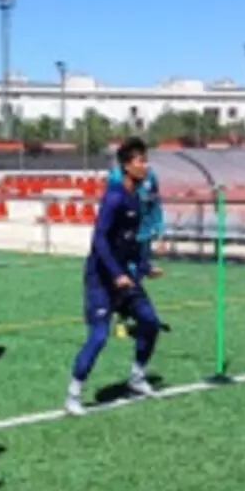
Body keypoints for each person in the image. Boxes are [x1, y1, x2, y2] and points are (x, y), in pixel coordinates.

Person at [64, 138, 163, 416]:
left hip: (125, 278)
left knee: (150, 322)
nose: (145, 166)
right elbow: (99, 240)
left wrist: (144, 267)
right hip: (101, 279)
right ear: (126, 166)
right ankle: (73, 394)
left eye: (146, 160)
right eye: (140, 161)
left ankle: (136, 378)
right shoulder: (114, 197)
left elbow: (131, 242)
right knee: (99, 336)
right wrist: (116, 274)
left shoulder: (136, 198)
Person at [109, 161, 164, 338]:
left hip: (144, 235)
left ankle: (132, 316)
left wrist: (159, 232)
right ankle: (122, 319)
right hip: (125, 237)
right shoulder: (116, 176)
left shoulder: (151, 176)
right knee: (128, 277)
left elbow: (155, 204)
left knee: (138, 276)